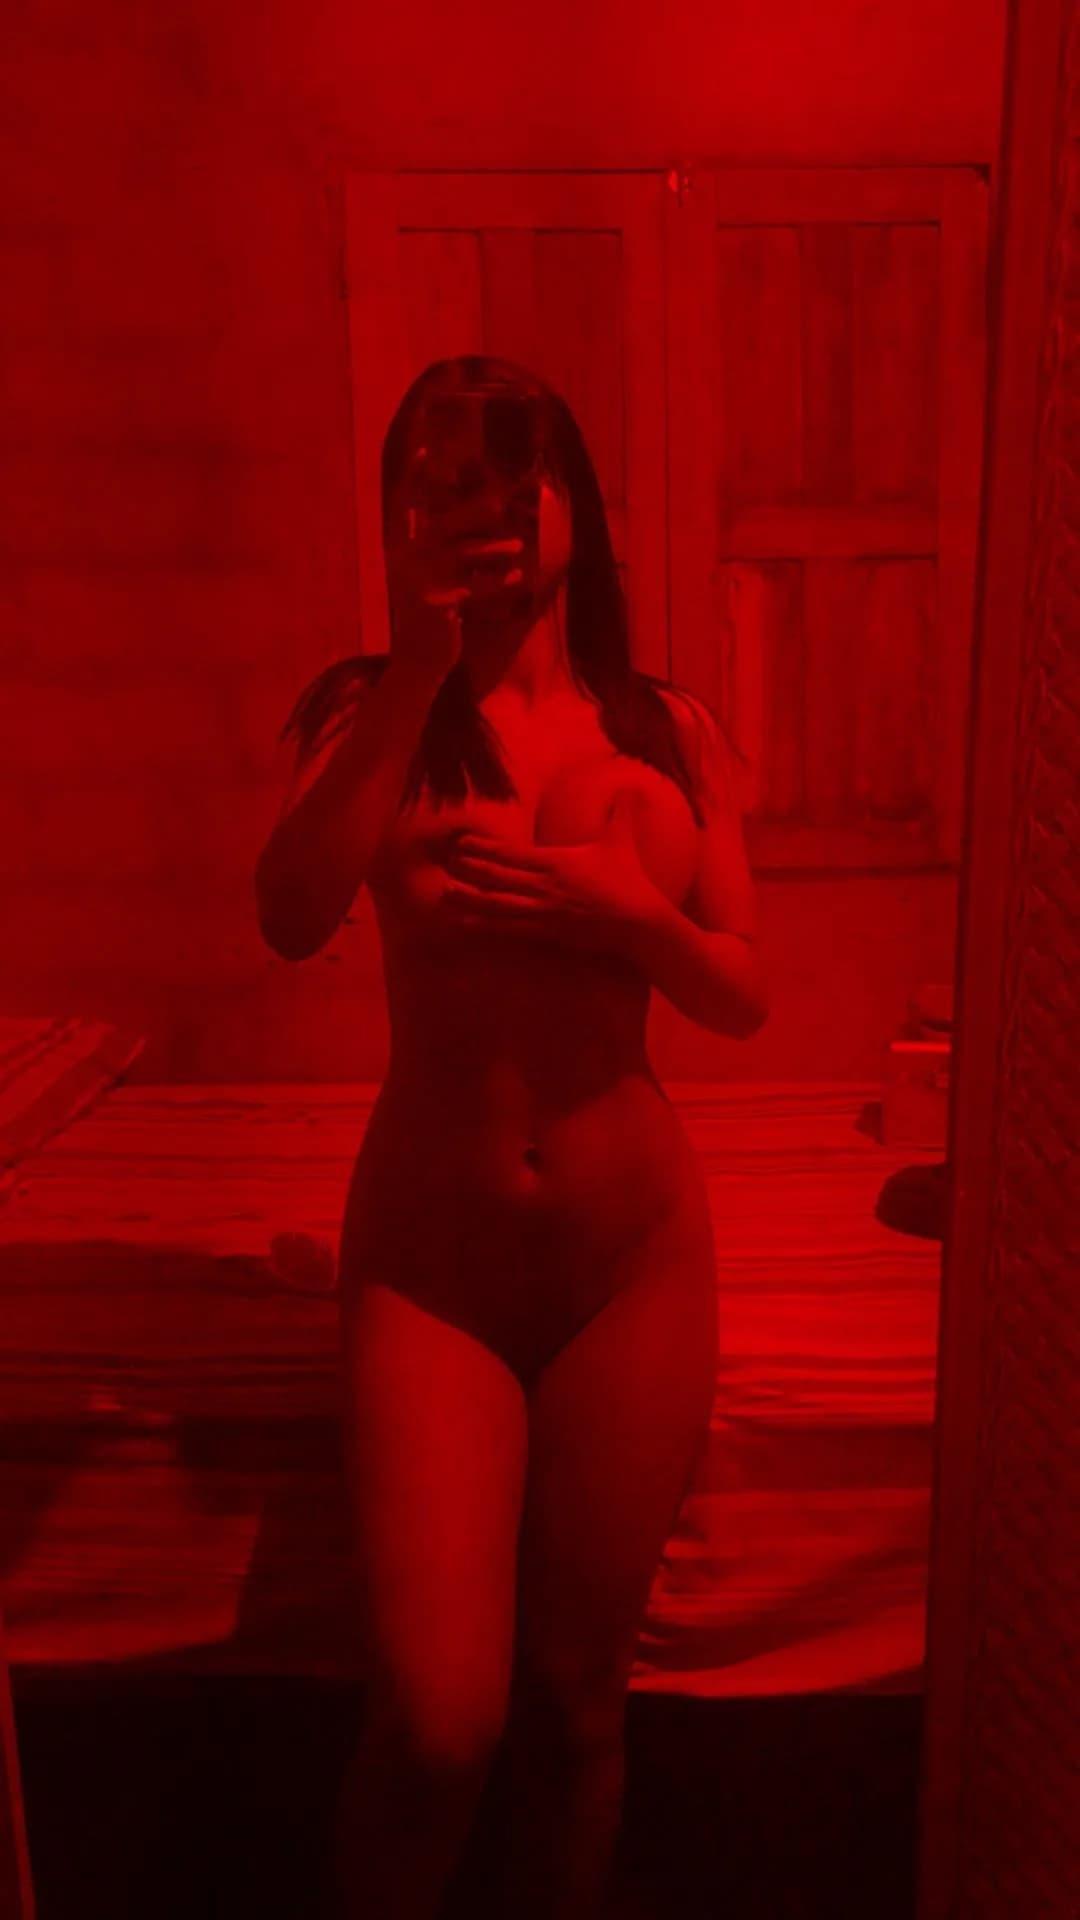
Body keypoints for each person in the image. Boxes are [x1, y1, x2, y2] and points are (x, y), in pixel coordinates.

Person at [255, 353, 768, 1919]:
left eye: (513, 468)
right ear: (401, 513)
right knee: (435, 1724)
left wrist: (632, 918)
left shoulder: (669, 725)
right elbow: (290, 915)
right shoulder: (369, 711)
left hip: (632, 1264)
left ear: (574, 503)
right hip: (437, 1267)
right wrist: (417, 666)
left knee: (573, 1706)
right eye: (442, 476)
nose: (485, 502)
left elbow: (741, 993)